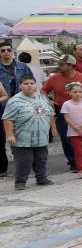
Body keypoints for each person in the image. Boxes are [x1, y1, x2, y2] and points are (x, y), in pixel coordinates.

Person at [42, 55, 82, 171]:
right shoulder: (54, 78)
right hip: (63, 111)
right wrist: (48, 100)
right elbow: (44, 90)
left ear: (71, 65)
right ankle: (73, 162)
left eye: (62, 64)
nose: (59, 66)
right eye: (59, 63)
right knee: (66, 137)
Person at [2, 75, 55, 190]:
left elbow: (50, 113)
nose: (29, 86)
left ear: (36, 85)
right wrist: (10, 135)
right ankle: (20, 182)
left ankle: (41, 178)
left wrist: (53, 128)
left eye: (32, 83)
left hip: (41, 137)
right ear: (20, 86)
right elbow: (7, 119)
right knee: (25, 161)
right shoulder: (14, 101)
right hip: (22, 138)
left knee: (41, 159)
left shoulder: (41, 97)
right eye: (26, 84)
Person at [0, 40, 34, 179]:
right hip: (3, 106)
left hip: (22, 105)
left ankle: (27, 166)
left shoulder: (22, 66)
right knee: (2, 138)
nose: (6, 52)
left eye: (8, 49)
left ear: (13, 50)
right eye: (3, 50)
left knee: (24, 136)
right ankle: (2, 168)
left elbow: (31, 83)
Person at [61, 82, 82, 178]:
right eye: (75, 92)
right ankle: (81, 169)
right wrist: (75, 127)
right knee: (78, 151)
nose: (78, 94)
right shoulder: (66, 104)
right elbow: (66, 118)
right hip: (74, 131)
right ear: (69, 92)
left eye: (80, 92)